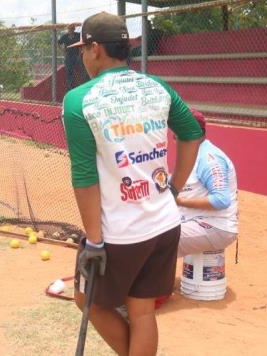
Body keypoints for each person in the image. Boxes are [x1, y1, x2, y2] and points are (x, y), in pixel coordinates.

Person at [62, 12, 203, 355]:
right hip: (164, 223)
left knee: (87, 299)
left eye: (83, 48)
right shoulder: (157, 87)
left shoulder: (79, 100)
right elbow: (193, 133)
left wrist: (94, 241)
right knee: (141, 312)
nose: (82, 55)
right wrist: (173, 188)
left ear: (95, 49)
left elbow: (84, 178)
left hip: (120, 233)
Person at [176, 109, 238, 257]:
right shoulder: (193, 153)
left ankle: (149, 280)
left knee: (157, 240)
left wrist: (180, 202)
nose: (174, 132)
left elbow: (221, 200)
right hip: (194, 220)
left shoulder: (209, 158)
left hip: (215, 225)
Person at [58, 24, 86, 90]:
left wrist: (81, 50)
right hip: (69, 56)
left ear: (74, 29)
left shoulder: (78, 35)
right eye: (69, 29)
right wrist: (63, 50)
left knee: (82, 70)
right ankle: (70, 87)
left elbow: (83, 42)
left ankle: (83, 85)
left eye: (72, 29)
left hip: (78, 55)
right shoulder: (65, 36)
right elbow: (58, 43)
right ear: (68, 30)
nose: (71, 30)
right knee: (69, 71)